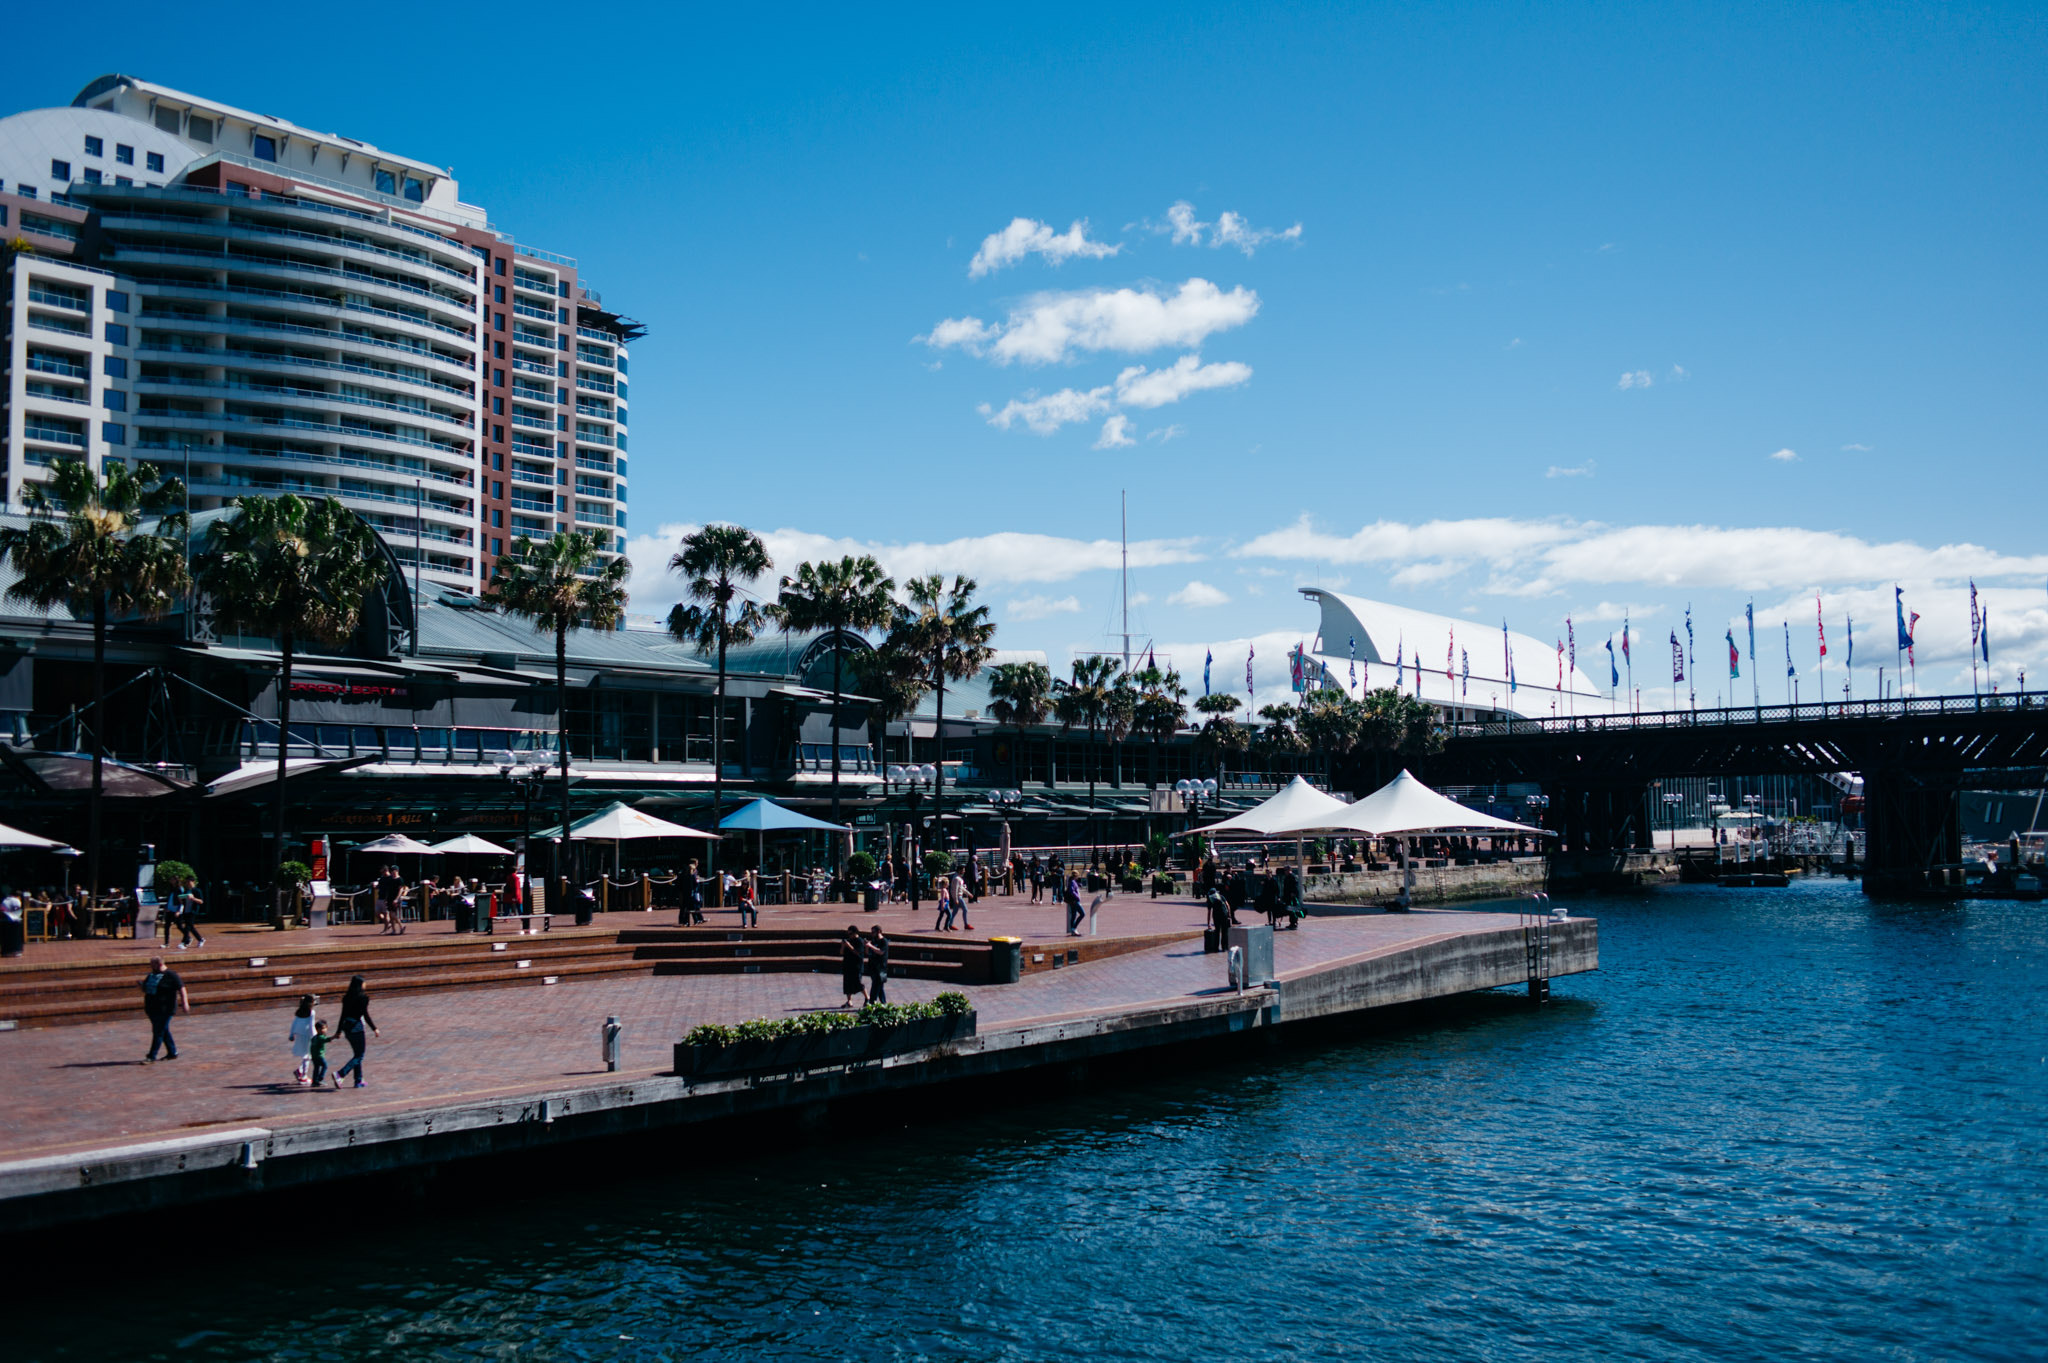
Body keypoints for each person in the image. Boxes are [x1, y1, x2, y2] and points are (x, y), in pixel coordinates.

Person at [333, 975, 379, 1088]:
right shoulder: (363, 998)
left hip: (347, 1027)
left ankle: (358, 1080)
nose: (365, 984)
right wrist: (374, 1028)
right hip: (356, 1027)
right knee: (360, 1055)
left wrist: (338, 1030)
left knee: (357, 1055)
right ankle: (341, 1073)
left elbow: (342, 1015)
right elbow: (365, 1015)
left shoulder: (347, 997)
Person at [141, 954, 188, 1062]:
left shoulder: (171, 975)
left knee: (158, 1031)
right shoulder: (152, 975)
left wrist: (184, 1002)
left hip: (166, 1008)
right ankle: (172, 1052)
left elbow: (181, 988)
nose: (151, 967)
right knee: (163, 1030)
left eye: (152, 965)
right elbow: (146, 988)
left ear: (160, 964)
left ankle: (151, 1056)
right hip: (152, 1008)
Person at [288, 994, 318, 1083]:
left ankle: (299, 1071)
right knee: (307, 1056)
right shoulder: (311, 1012)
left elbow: (294, 1022)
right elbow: (311, 1025)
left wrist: (291, 1034)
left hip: (299, 1033)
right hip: (307, 1034)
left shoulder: (299, 1011)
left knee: (305, 1055)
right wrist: (314, 1036)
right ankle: (304, 1076)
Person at [863, 926, 890, 1004]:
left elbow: (881, 952)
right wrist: (867, 946)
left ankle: (871, 1003)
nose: (872, 934)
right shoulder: (873, 940)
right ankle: (884, 1003)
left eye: (873, 932)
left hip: (881, 968)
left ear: (879, 931)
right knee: (879, 987)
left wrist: (871, 946)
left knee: (875, 986)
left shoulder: (884, 941)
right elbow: (868, 953)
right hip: (872, 966)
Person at [840, 925, 866, 1007]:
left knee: (858, 983)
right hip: (847, 965)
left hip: (856, 966)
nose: (849, 936)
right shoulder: (848, 940)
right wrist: (843, 946)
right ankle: (849, 1001)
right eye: (848, 934)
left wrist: (849, 946)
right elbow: (841, 952)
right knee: (847, 984)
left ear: (855, 933)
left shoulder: (859, 941)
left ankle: (867, 997)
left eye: (851, 934)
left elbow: (858, 953)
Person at [309, 1020, 335, 1088]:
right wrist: (334, 1037)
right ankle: (320, 1078)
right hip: (319, 1055)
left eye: (325, 1028)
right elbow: (325, 1040)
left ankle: (315, 1081)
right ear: (317, 1029)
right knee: (325, 1065)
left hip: (314, 1056)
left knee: (316, 1068)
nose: (324, 1030)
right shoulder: (320, 1037)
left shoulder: (314, 1037)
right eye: (322, 1028)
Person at [0, 885, 23, 958]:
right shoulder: (16, 900)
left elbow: (2, 910)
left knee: (6, 937)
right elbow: (17, 910)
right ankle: (16, 951)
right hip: (15, 921)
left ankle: (6, 952)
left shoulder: (4, 900)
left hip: (6, 920)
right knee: (15, 938)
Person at [678, 859, 703, 926]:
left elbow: (680, 883)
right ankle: (695, 920)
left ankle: (687, 921)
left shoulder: (684, 874)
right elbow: (695, 884)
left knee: (686, 907)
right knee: (691, 907)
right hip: (691, 893)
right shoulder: (692, 875)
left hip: (686, 893)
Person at [1064, 872, 1086, 936]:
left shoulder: (1072, 881)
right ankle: (1074, 928)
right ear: (1076, 876)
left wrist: (1078, 884)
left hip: (1072, 901)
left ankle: (1073, 930)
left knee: (1074, 915)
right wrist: (1077, 897)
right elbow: (1071, 891)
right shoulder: (1072, 882)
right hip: (1075, 901)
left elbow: (1074, 886)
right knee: (1082, 914)